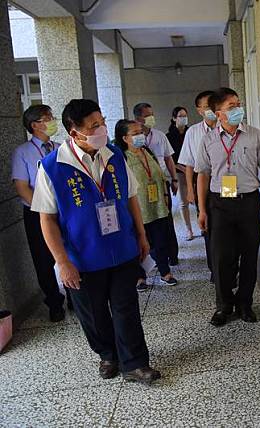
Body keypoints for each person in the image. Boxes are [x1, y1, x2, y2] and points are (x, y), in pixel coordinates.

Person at [31, 99, 160, 384]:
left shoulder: (114, 154)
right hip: (83, 258)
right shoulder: (52, 166)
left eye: (101, 122)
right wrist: (62, 262)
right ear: (73, 132)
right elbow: (47, 219)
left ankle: (135, 363)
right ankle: (107, 354)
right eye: (93, 126)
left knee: (126, 309)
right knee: (94, 314)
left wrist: (141, 235)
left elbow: (131, 198)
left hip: (122, 249)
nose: (101, 129)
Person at [195, 87, 260, 326]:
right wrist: (202, 209)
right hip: (219, 204)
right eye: (231, 107)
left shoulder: (254, 135)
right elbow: (202, 175)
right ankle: (223, 305)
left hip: (249, 201)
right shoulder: (208, 140)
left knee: (250, 256)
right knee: (222, 258)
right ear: (218, 114)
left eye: (238, 104)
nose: (238, 110)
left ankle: (245, 304)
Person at [12, 104, 70, 322]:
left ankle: (74, 294)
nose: (52, 121)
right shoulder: (22, 153)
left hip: (65, 210)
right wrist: (44, 209)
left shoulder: (60, 147)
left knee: (69, 251)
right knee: (44, 260)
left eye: (51, 117)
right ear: (35, 125)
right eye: (47, 118)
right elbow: (21, 187)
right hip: (37, 214)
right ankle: (54, 303)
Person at [114, 119, 178, 289]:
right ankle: (140, 277)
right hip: (137, 209)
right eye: (134, 134)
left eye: (140, 132)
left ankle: (165, 272)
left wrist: (165, 195)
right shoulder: (121, 157)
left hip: (157, 206)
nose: (140, 136)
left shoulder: (147, 152)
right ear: (124, 138)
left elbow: (159, 175)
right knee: (140, 243)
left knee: (160, 240)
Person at [133, 102, 180, 266]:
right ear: (138, 118)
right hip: (141, 189)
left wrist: (174, 179)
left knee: (166, 220)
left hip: (162, 184)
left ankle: (172, 255)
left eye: (152, 114)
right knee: (148, 222)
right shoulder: (133, 140)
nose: (151, 118)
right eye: (147, 115)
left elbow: (168, 158)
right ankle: (152, 257)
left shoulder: (159, 135)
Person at [178, 90, 217, 281]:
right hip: (202, 184)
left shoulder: (226, 127)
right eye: (207, 106)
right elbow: (189, 164)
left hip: (227, 183)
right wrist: (190, 190)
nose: (212, 109)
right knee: (208, 225)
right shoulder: (193, 132)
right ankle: (214, 269)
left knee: (227, 223)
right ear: (199, 110)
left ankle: (231, 267)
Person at [166, 106, 195, 240]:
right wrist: (183, 169)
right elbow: (171, 158)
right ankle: (189, 229)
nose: (184, 118)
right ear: (174, 119)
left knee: (199, 198)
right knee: (184, 201)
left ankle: (202, 225)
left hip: (195, 169)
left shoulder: (191, 132)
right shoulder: (169, 136)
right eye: (180, 116)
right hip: (180, 171)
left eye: (185, 115)